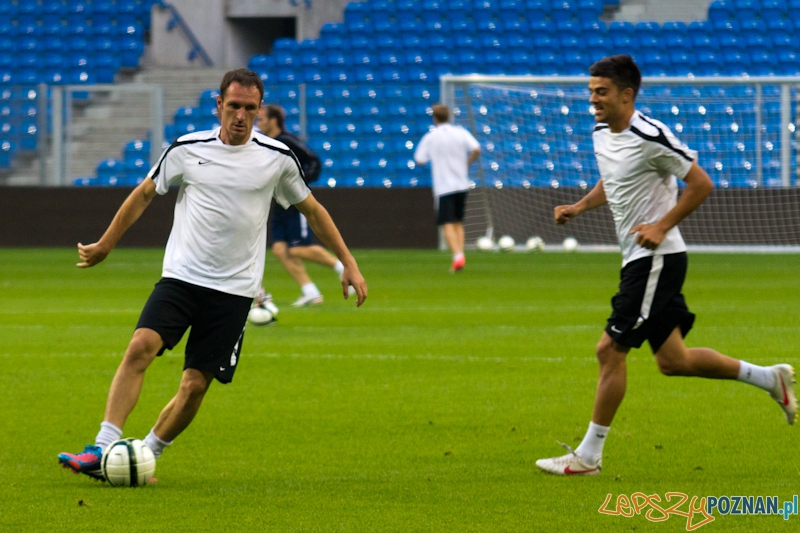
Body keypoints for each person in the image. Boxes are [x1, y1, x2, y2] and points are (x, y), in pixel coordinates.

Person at [58, 69, 367, 481]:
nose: (241, 115)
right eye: (234, 106)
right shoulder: (187, 149)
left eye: (250, 108)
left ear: (259, 109)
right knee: (139, 348)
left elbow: (313, 210)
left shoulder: (276, 158)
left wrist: (348, 262)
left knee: (194, 386)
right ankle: (100, 448)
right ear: (219, 105)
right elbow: (145, 193)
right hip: (182, 277)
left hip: (235, 291)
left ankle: (144, 455)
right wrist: (106, 244)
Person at [536, 55, 796, 476]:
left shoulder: (651, 135)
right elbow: (614, 179)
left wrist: (660, 225)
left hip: (656, 258)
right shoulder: (601, 132)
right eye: (591, 91)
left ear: (626, 94)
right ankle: (770, 378)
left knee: (609, 349)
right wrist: (579, 206)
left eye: (601, 92)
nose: (593, 99)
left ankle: (587, 457)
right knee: (674, 361)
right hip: (638, 257)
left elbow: (701, 183)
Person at [255, 104, 353, 308]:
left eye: (262, 119)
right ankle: (310, 291)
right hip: (278, 202)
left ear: (273, 120)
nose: (258, 123)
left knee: (299, 249)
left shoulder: (287, 141)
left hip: (294, 201)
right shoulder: (265, 142)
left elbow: (314, 161)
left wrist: (298, 183)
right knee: (280, 249)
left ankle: (344, 269)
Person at [414, 104, 481, 272]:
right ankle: (460, 255)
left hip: (444, 185)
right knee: (458, 221)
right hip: (462, 183)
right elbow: (476, 148)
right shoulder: (460, 132)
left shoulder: (431, 137)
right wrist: (467, 164)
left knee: (446, 222)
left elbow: (419, 159)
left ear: (434, 118)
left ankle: (457, 256)